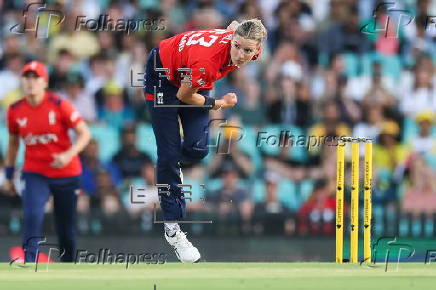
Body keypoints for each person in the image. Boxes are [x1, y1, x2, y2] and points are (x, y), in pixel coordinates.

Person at [144, 19, 267, 262]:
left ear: (257, 49)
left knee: (198, 150)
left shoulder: (243, 39)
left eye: (248, 50)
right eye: (238, 47)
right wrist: (220, 104)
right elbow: (184, 95)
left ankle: (169, 167)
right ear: (232, 41)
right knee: (168, 155)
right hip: (164, 76)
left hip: (194, 76)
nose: (241, 55)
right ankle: (173, 229)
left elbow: (234, 24)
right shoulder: (207, 63)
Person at [2, 61, 91, 262]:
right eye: (27, 77)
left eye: (36, 78)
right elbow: (13, 144)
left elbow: (85, 134)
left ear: (45, 82)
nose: (31, 82)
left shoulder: (60, 105)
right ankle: (29, 262)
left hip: (66, 172)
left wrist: (69, 154)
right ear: (22, 81)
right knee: (33, 216)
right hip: (35, 171)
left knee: (65, 225)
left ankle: (68, 265)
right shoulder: (15, 110)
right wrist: (8, 176)